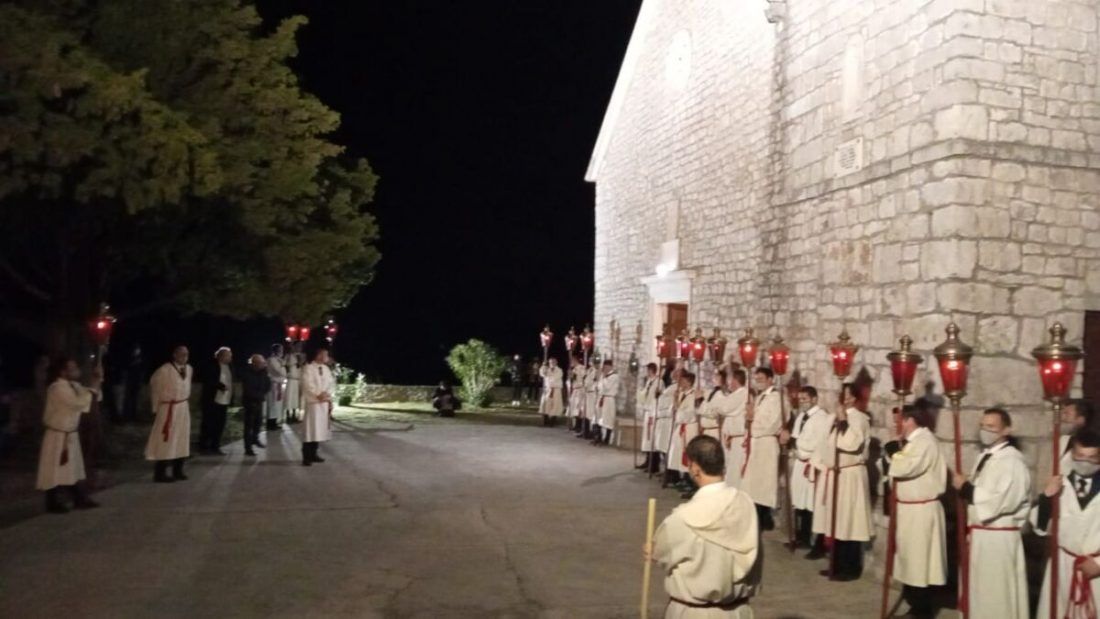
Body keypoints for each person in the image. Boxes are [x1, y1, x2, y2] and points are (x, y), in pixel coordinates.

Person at [649, 435, 761, 617]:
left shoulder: (682, 518)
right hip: (737, 611)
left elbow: (661, 553)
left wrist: (653, 551)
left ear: (695, 468)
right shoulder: (746, 503)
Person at [950, 408, 1030, 619]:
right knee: (978, 592)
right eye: (983, 426)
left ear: (1007, 430)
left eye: (991, 427)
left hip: (997, 539)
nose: (985, 431)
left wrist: (966, 487)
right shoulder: (987, 456)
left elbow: (1002, 500)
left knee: (995, 595)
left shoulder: (1012, 462)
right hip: (981, 536)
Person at [1032, 428, 1100, 618]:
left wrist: (1098, 563)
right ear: (1071, 455)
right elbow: (1040, 527)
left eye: (1092, 457)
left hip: (1096, 569)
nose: (1085, 462)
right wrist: (1047, 496)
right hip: (1064, 564)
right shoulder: (1061, 485)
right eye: (1080, 456)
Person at [886, 405, 947, 616]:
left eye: (899, 420)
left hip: (921, 511)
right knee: (910, 560)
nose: (897, 425)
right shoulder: (913, 442)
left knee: (919, 562)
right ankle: (914, 603)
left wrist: (894, 452)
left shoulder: (925, 442)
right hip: (909, 510)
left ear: (910, 420)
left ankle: (922, 610)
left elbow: (906, 467)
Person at [811, 382, 872, 580]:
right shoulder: (834, 418)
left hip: (850, 475)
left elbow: (851, 443)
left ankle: (851, 568)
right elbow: (826, 443)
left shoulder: (860, 419)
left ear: (854, 398)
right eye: (841, 394)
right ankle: (835, 564)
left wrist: (844, 420)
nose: (843, 399)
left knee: (849, 521)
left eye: (846, 395)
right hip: (836, 474)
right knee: (836, 521)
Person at [36, 357, 102, 513]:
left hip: (69, 433)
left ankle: (78, 497)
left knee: (70, 468)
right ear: (63, 371)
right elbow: (77, 403)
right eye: (71, 368)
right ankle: (52, 502)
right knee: (53, 469)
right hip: (57, 435)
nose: (76, 370)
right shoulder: (57, 388)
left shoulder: (73, 386)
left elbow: (92, 396)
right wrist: (93, 388)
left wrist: (97, 379)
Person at [786, 386, 832, 550]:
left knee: (812, 503)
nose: (802, 402)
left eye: (805, 399)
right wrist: (793, 443)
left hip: (812, 465)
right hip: (800, 463)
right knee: (800, 501)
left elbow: (816, 443)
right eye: (800, 399)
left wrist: (798, 446)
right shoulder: (801, 417)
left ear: (814, 399)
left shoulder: (822, 418)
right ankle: (802, 537)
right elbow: (795, 437)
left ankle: (817, 543)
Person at [742, 367, 783, 531]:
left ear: (771, 379)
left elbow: (771, 424)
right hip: (756, 443)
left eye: (761, 380)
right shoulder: (760, 398)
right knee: (753, 481)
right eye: (756, 380)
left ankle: (764, 517)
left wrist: (752, 420)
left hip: (766, 443)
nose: (758, 383)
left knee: (764, 482)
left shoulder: (776, 398)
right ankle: (756, 515)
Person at [145, 346, 193, 483]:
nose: (184, 357)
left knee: (182, 437)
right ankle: (160, 473)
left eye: (186, 354)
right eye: (181, 354)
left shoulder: (189, 369)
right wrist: (156, 408)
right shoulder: (164, 370)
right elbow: (155, 388)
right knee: (166, 439)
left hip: (183, 407)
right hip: (168, 408)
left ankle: (178, 470)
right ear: (174, 355)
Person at [300, 347, 335, 466]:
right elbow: (307, 383)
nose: (327, 357)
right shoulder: (309, 367)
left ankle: (314, 453)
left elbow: (331, 383)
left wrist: (326, 393)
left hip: (323, 403)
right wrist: (317, 394)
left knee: (319, 429)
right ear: (318, 355)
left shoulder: (326, 369)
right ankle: (306, 456)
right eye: (325, 354)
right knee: (311, 429)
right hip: (314, 403)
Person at [667, 371, 701, 492]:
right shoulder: (681, 393)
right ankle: (682, 477)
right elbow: (674, 410)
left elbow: (689, 414)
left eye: (683, 381)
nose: (680, 383)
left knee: (687, 454)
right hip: (681, 427)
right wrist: (675, 400)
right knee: (677, 452)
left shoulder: (693, 396)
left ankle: (690, 480)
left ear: (689, 382)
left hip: (689, 427)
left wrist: (678, 412)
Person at [199, 347, 233, 455]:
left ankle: (215, 446)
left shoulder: (230, 367)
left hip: (224, 400)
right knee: (208, 424)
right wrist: (220, 386)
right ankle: (204, 446)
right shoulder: (212, 366)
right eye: (228, 355)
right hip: (212, 400)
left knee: (220, 424)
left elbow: (231, 382)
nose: (230, 357)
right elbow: (209, 380)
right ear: (221, 356)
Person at [720, 369, 750, 488]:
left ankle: (736, 493)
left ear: (735, 380)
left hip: (739, 438)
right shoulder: (735, 394)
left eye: (730, 380)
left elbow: (724, 408)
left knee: (736, 468)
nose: (728, 383)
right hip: (731, 438)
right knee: (730, 467)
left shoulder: (742, 393)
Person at [240, 354, 270, 456]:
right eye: (262, 363)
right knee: (249, 426)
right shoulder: (247, 373)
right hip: (250, 402)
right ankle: (248, 448)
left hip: (259, 401)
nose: (264, 364)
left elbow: (267, 385)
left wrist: (262, 394)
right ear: (255, 363)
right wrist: (258, 396)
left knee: (258, 423)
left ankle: (255, 439)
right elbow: (248, 389)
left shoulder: (263, 373)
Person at [636, 363, 662, 473]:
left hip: (653, 412)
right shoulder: (649, 382)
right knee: (647, 439)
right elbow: (644, 395)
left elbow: (660, 397)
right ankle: (647, 461)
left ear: (652, 370)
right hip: (647, 411)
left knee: (652, 438)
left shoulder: (659, 382)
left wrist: (658, 395)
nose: (647, 372)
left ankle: (654, 464)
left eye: (648, 370)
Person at [1059, 399, 1096, 470]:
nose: (1062, 418)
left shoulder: (1091, 445)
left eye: (1067, 414)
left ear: (1080, 420)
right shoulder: (1063, 439)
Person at [593, 359, 619, 446]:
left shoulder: (614, 376)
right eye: (604, 367)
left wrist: (603, 377)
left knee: (608, 419)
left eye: (607, 367)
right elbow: (599, 386)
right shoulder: (603, 376)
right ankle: (598, 437)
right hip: (601, 398)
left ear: (611, 367)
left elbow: (607, 387)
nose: (606, 369)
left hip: (609, 400)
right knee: (598, 417)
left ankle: (606, 439)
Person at [265, 344, 287, 431]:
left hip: (278, 384)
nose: (282, 352)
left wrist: (282, 366)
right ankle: (270, 423)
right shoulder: (272, 360)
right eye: (280, 350)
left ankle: (274, 422)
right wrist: (282, 366)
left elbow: (284, 373)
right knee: (272, 404)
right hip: (273, 384)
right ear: (276, 351)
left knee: (277, 404)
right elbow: (280, 371)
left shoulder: (279, 360)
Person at [121, 346, 145, 422]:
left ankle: (134, 416)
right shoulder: (130, 359)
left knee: (135, 400)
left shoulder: (140, 360)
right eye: (136, 350)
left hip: (136, 382)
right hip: (129, 382)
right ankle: (126, 416)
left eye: (138, 350)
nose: (137, 351)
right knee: (128, 399)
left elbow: (142, 371)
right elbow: (126, 368)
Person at [538, 357, 564, 427]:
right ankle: (546, 421)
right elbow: (542, 374)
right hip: (548, 389)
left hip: (556, 389)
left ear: (556, 363)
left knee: (555, 405)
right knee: (546, 404)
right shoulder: (547, 369)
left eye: (553, 362)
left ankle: (552, 422)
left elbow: (555, 378)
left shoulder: (559, 370)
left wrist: (548, 375)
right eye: (550, 362)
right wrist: (543, 366)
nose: (551, 363)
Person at [577, 361, 599, 440]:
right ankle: (584, 431)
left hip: (591, 394)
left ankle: (591, 432)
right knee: (584, 413)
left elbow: (591, 382)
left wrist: (586, 384)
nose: (591, 362)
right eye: (591, 360)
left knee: (590, 413)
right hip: (586, 393)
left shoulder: (596, 371)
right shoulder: (588, 370)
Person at [567, 356, 585, 432]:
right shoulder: (573, 369)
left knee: (578, 409)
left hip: (580, 390)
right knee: (573, 409)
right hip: (574, 390)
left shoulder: (581, 368)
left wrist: (574, 374)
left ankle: (579, 426)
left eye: (572, 362)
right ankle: (575, 425)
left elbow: (582, 377)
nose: (571, 364)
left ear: (575, 361)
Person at [285, 352, 302, 424]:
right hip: (290, 380)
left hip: (297, 380)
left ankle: (294, 415)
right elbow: (286, 365)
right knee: (289, 398)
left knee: (295, 398)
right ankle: (288, 415)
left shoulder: (299, 356)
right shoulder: (289, 355)